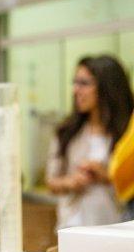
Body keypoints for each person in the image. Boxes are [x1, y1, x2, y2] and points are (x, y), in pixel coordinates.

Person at [46, 55, 133, 229]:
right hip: (70, 228)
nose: (75, 90)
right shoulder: (67, 132)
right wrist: (71, 182)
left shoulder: (128, 134)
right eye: (75, 83)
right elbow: (51, 181)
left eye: (84, 83)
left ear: (106, 87)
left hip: (115, 230)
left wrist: (106, 176)